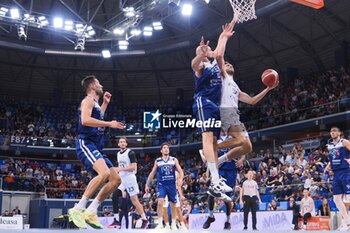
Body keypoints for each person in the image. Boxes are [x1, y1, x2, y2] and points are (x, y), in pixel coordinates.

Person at [68, 75, 125, 229]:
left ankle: (91, 210)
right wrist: (109, 123)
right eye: (99, 83)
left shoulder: (96, 104)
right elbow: (85, 120)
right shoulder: (87, 100)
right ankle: (78, 209)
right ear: (92, 86)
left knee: (116, 180)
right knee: (104, 173)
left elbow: (97, 121)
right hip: (86, 143)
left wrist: (105, 104)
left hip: (96, 146)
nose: (102, 85)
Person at [191, 19, 237, 200]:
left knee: (215, 144)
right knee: (208, 139)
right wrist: (200, 55)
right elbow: (193, 65)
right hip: (203, 102)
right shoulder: (202, 66)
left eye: (208, 50)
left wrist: (224, 35)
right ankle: (215, 179)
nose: (209, 51)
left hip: (215, 106)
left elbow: (219, 51)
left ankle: (215, 182)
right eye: (206, 51)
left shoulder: (216, 64)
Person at [203, 130, 243, 230]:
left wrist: (241, 159)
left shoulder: (233, 137)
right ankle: (211, 216)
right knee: (211, 194)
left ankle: (228, 221)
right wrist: (208, 172)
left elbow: (243, 150)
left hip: (231, 172)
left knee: (227, 199)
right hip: (219, 171)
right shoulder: (215, 138)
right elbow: (210, 156)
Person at [108, 137, 148, 229]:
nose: (122, 143)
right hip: (122, 179)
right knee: (114, 196)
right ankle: (116, 220)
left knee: (134, 200)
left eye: (124, 142)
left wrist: (120, 169)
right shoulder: (118, 154)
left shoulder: (130, 153)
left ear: (126, 144)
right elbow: (120, 167)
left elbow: (134, 167)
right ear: (118, 144)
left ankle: (144, 219)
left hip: (130, 178)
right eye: (120, 142)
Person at [145, 143, 184, 229]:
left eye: (167, 148)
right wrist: (147, 184)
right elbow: (152, 173)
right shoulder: (158, 161)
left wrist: (180, 179)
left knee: (173, 204)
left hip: (172, 185)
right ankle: (160, 224)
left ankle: (173, 223)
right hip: (162, 185)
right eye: (164, 148)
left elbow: (181, 171)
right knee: (160, 202)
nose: (166, 149)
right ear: (161, 150)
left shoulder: (174, 160)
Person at [324, 126, 350, 230]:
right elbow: (333, 157)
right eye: (331, 131)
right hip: (336, 174)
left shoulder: (344, 142)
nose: (332, 133)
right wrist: (328, 165)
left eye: (335, 131)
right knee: (336, 199)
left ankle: (345, 222)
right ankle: (347, 222)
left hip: (346, 172)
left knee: (348, 199)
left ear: (339, 133)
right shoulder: (329, 145)